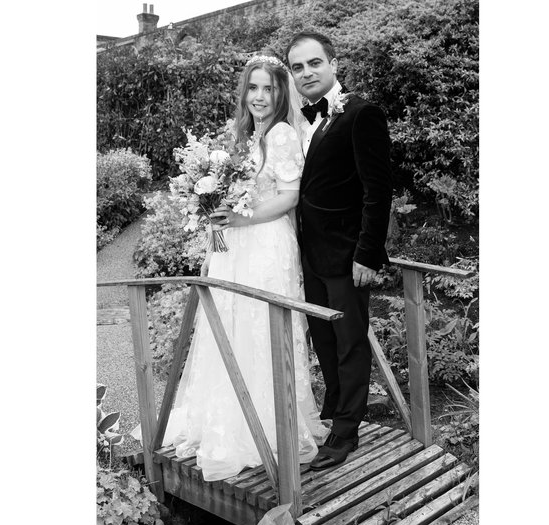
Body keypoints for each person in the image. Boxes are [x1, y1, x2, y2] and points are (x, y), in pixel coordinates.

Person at [132, 54, 328, 482]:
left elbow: (289, 196)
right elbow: (235, 190)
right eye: (253, 88)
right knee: (228, 324)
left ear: (281, 93)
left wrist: (241, 218)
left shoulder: (279, 134)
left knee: (258, 324)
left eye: (269, 88)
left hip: (265, 244)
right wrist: (212, 210)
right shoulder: (244, 134)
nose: (260, 96)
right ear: (245, 91)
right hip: (233, 246)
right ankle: (226, 420)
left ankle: (268, 430)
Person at [286, 32, 393, 470]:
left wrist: (368, 253)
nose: (307, 73)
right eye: (298, 67)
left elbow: (377, 188)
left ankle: (346, 432)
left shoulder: (361, 113)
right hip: (308, 255)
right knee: (324, 342)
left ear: (333, 64)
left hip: (348, 256)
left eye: (315, 63)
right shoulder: (295, 121)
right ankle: (332, 415)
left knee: (350, 343)